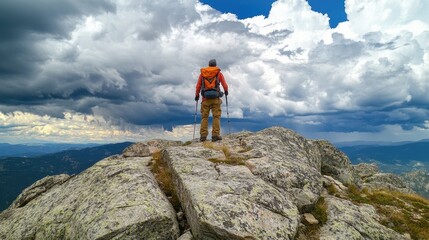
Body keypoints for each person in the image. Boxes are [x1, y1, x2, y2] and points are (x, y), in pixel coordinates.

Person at [195, 59, 229, 142]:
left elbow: (198, 86)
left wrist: (197, 95)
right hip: (216, 99)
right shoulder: (219, 73)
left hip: (205, 99)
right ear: (215, 65)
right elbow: (225, 85)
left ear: (209, 65)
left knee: (204, 117)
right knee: (216, 117)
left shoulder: (202, 74)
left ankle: (203, 136)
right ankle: (215, 135)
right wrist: (226, 91)